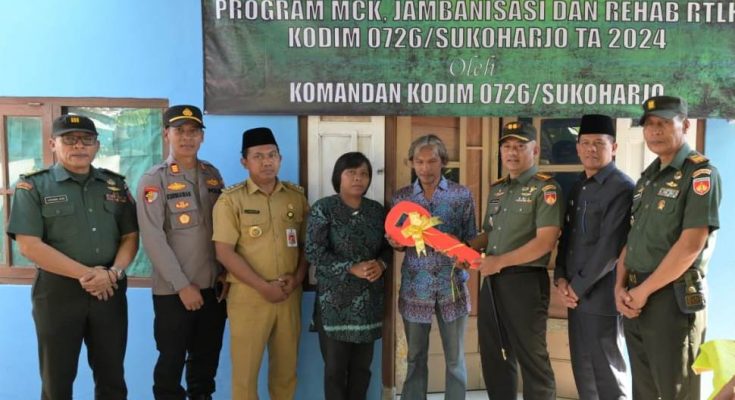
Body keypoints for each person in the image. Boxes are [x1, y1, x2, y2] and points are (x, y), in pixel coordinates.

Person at [7, 114, 138, 399]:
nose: (79, 145)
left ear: (97, 145)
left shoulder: (115, 185)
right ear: (52, 144)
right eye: (69, 139)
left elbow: (130, 236)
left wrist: (113, 272)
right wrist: (89, 275)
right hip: (58, 294)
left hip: (109, 289)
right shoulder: (33, 186)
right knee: (57, 379)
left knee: (112, 377)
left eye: (86, 139)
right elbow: (29, 245)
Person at [615, 95, 721, 400]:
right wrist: (619, 287)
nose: (655, 131)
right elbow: (633, 240)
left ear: (685, 125)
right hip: (635, 298)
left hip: (671, 299)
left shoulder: (700, 174)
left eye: (664, 123)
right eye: (649, 125)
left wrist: (642, 292)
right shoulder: (647, 179)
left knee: (676, 391)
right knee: (644, 390)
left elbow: (691, 245)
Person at [136, 105, 227, 400]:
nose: (187, 137)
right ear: (166, 135)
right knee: (170, 366)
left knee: (205, 367)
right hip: (174, 292)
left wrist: (225, 273)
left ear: (202, 136)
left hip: (213, 289)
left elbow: (225, 230)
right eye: (180, 131)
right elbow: (152, 237)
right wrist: (182, 285)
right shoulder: (154, 179)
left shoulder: (212, 175)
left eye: (194, 131)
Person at [213, 127, 308, 400]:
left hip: (288, 295)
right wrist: (263, 286)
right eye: (258, 156)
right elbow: (224, 252)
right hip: (249, 297)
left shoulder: (295, 197)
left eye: (272, 155)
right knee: (245, 376)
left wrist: (297, 278)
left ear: (280, 158)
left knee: (286, 373)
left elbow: (307, 246)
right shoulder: (231, 200)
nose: (267, 162)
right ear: (244, 162)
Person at [470, 121, 561, 400]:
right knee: (495, 355)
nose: (512, 152)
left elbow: (545, 242)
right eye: (507, 146)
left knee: (532, 359)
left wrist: (498, 262)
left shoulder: (545, 188)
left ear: (535, 150)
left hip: (525, 282)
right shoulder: (498, 189)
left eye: (520, 146)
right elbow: (490, 233)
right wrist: (467, 249)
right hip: (492, 282)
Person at [389, 134, 477, 400]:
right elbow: (396, 240)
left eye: (432, 161)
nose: (425, 168)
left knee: (455, 360)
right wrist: (395, 243)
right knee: (415, 357)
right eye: (419, 161)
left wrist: (462, 251)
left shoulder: (461, 195)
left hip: (452, 288)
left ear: (443, 161)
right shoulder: (402, 198)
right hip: (415, 289)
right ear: (411, 163)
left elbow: (472, 238)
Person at [554, 114, 633, 400]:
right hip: (575, 296)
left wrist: (576, 287)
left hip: (602, 297)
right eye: (585, 143)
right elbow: (568, 236)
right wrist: (561, 278)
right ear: (577, 148)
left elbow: (610, 247)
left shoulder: (621, 187)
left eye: (599, 143)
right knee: (583, 371)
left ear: (614, 147)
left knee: (607, 374)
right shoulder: (580, 185)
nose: (591, 149)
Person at [305, 152, 388, 400]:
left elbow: (388, 247)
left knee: (362, 370)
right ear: (338, 176)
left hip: (368, 304)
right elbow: (313, 252)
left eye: (364, 174)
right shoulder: (324, 209)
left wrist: (381, 264)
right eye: (351, 172)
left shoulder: (377, 211)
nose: (358, 178)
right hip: (334, 305)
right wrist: (351, 267)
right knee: (335, 371)